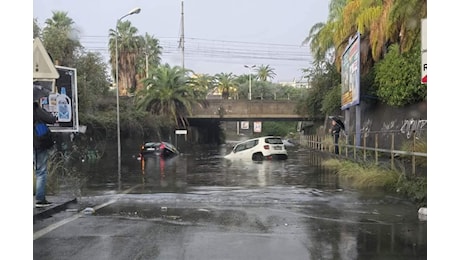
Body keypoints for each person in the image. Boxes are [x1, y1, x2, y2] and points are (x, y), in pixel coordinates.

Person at [33, 84, 57, 208]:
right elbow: (51, 119)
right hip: (38, 143)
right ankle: (40, 199)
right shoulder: (36, 108)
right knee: (41, 171)